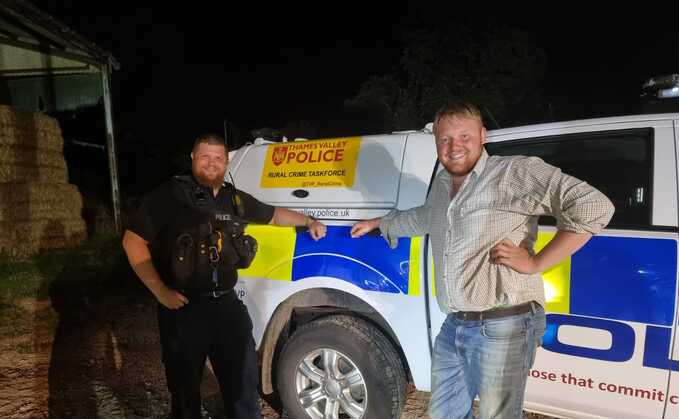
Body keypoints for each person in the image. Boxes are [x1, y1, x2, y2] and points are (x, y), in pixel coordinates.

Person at [350, 102, 614, 419]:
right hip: (455, 323)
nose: (454, 146)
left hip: (505, 323)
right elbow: (424, 218)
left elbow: (595, 207)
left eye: (464, 136)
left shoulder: (513, 172)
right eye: (445, 139)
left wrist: (535, 263)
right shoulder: (443, 184)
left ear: (483, 135)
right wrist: (381, 223)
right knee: (445, 413)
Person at [122, 134, 326, 419]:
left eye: (218, 158)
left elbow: (273, 215)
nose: (212, 163)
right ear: (192, 158)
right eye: (205, 156)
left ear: (226, 162)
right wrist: (160, 292)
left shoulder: (234, 198)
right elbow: (133, 241)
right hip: (183, 309)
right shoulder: (170, 195)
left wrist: (309, 221)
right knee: (184, 391)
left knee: (243, 384)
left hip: (227, 307)